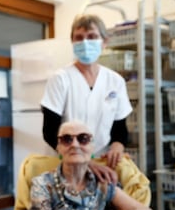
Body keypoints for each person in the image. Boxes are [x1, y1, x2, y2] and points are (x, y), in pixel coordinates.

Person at [40, 14, 132, 180]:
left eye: (92, 37)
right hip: (66, 162)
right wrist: (82, 160)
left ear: (104, 42)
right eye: (79, 38)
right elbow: (49, 131)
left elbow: (120, 129)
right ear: (73, 43)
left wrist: (117, 148)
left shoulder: (115, 81)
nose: (85, 42)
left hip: (102, 162)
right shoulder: (61, 78)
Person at [29, 121, 154, 210]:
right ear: (58, 148)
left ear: (92, 148)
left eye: (83, 139)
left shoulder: (101, 184)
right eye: (67, 139)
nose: (75, 145)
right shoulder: (43, 184)